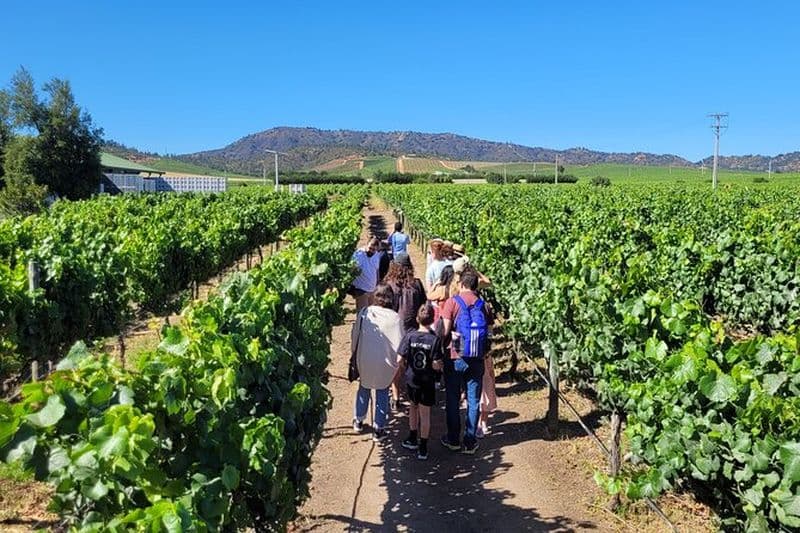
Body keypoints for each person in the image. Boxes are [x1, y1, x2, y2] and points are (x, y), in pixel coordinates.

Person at [439, 270, 493, 454]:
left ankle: (453, 439)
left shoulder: (452, 302)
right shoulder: (484, 305)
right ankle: (470, 441)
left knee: (453, 398)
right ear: (476, 286)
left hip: (456, 355)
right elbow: (490, 333)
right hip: (477, 358)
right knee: (473, 399)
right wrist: (485, 352)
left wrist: (440, 347)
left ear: (461, 283)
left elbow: (445, 331)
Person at [352, 284, 403, 441]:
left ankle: (358, 421)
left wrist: (354, 354)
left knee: (364, 387)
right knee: (382, 391)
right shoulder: (395, 318)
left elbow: (354, 336)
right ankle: (378, 428)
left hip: (365, 358)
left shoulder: (364, 313)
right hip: (384, 361)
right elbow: (400, 344)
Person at [398, 304, 444, 460]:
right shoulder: (435, 340)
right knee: (425, 414)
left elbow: (399, 358)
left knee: (413, 407)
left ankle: (412, 438)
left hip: (412, 379)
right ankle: (423, 447)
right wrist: (437, 368)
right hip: (427, 381)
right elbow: (436, 364)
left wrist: (405, 366)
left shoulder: (409, 336)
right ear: (432, 320)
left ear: (417, 319)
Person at [351, 237, 382, 310]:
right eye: (370, 248)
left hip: (372, 289)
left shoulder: (376, 255)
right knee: (362, 313)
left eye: (374, 250)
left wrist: (377, 284)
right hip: (361, 289)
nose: (371, 251)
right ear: (367, 244)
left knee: (371, 313)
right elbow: (352, 270)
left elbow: (376, 270)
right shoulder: (359, 254)